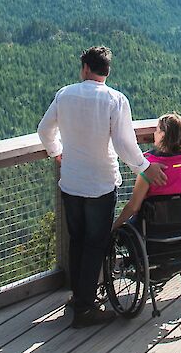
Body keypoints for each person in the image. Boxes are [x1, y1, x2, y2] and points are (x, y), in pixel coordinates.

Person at [38, 45, 166, 327]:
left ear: (85, 68)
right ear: (107, 71)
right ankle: (85, 307)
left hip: (71, 182)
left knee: (78, 241)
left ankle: (79, 298)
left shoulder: (65, 95)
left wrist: (56, 152)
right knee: (96, 244)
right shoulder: (115, 100)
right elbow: (123, 143)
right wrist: (144, 168)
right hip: (101, 183)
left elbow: (44, 130)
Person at [112, 112, 181, 233]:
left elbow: (134, 207)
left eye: (157, 130)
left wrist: (114, 226)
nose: (154, 133)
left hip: (153, 232)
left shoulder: (150, 168)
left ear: (163, 135)